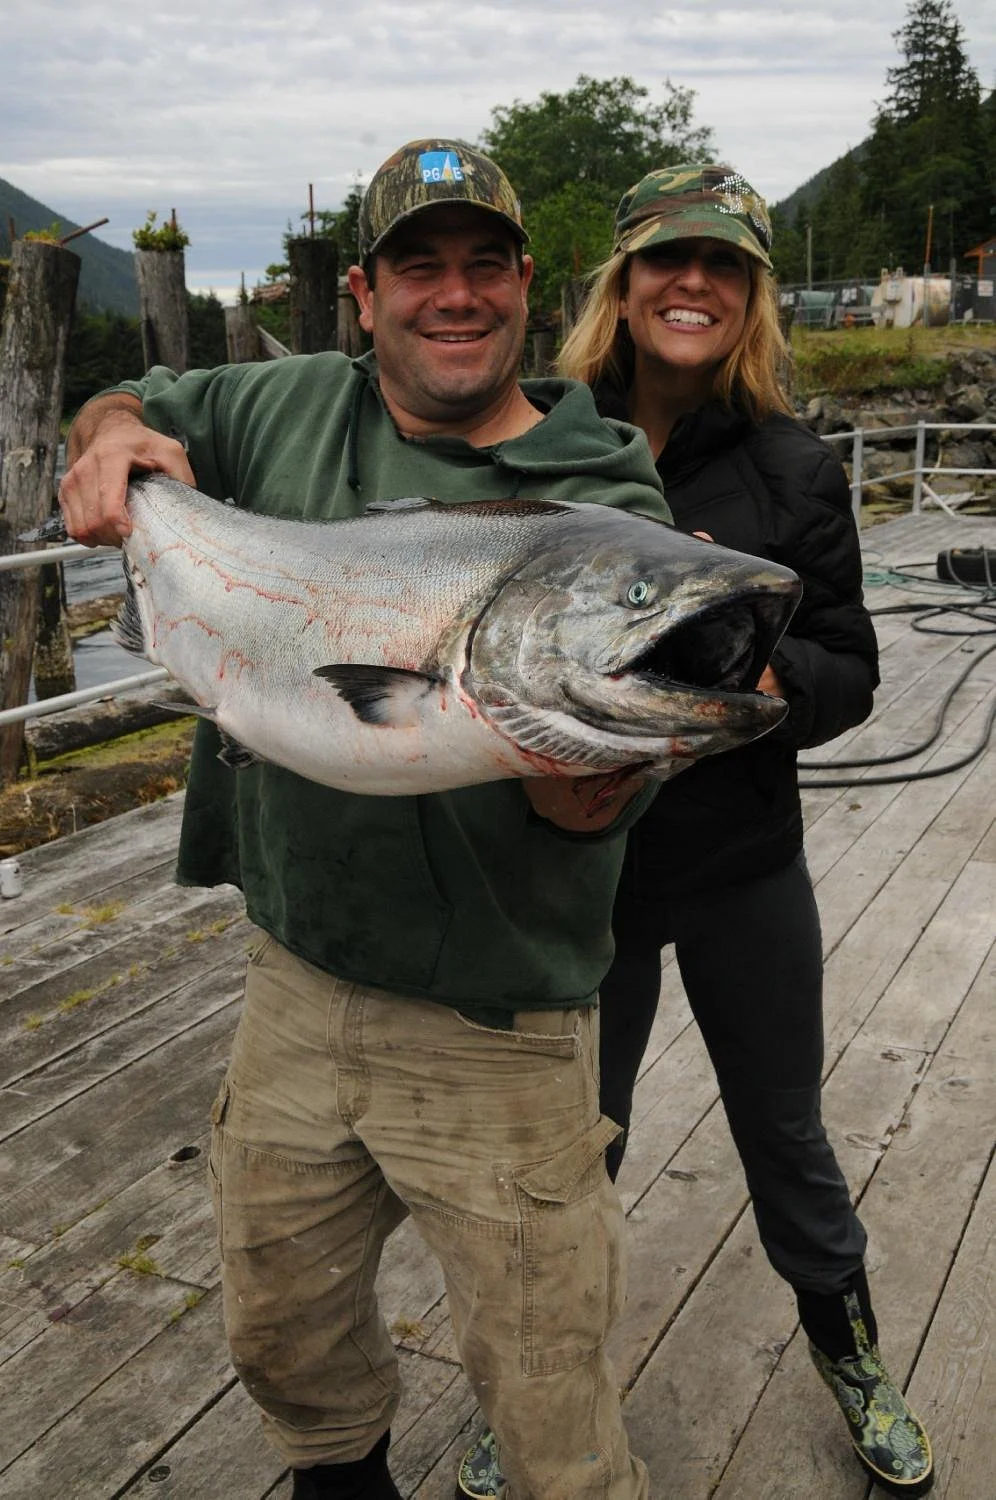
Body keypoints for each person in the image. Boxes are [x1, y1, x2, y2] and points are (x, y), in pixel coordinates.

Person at [59, 141, 673, 1500]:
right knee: (287, 1343)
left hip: (500, 1029)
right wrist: (114, 443)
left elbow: (589, 806)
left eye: (484, 267)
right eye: (418, 268)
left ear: (527, 286)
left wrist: (601, 773)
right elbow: (128, 401)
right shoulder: (277, 404)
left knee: (553, 1408)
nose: (453, 297)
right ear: (364, 292)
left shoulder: (606, 502)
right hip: (289, 984)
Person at [457, 167, 934, 1499]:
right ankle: (536, 1387)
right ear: (623, 280)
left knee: (785, 1131)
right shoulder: (540, 440)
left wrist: (774, 691)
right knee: (571, 1150)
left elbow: (852, 664)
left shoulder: (792, 464)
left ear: (752, 299)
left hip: (739, 868)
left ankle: (849, 1353)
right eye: (671, 260)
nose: (695, 285)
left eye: (725, 268)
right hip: (575, 878)